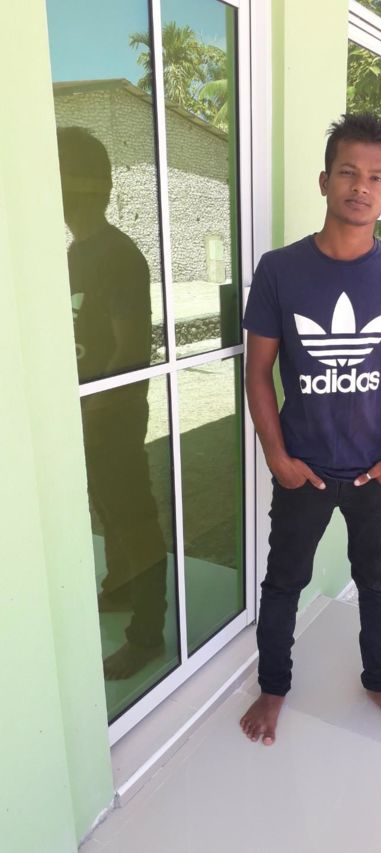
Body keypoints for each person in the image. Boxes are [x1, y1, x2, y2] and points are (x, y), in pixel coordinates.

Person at [240, 113, 381, 745]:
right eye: (348, 172)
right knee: (283, 584)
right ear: (324, 181)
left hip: (376, 470)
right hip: (305, 469)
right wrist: (277, 457)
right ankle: (273, 688)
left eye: (375, 177)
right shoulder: (279, 270)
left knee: (377, 583)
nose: (361, 186)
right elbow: (258, 372)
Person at [57, 126, 168, 680]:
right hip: (85, 414)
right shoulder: (75, 253)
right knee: (108, 506)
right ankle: (120, 587)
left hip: (113, 416)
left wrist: (92, 414)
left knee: (133, 519)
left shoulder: (119, 256)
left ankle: (148, 633)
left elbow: (130, 352)